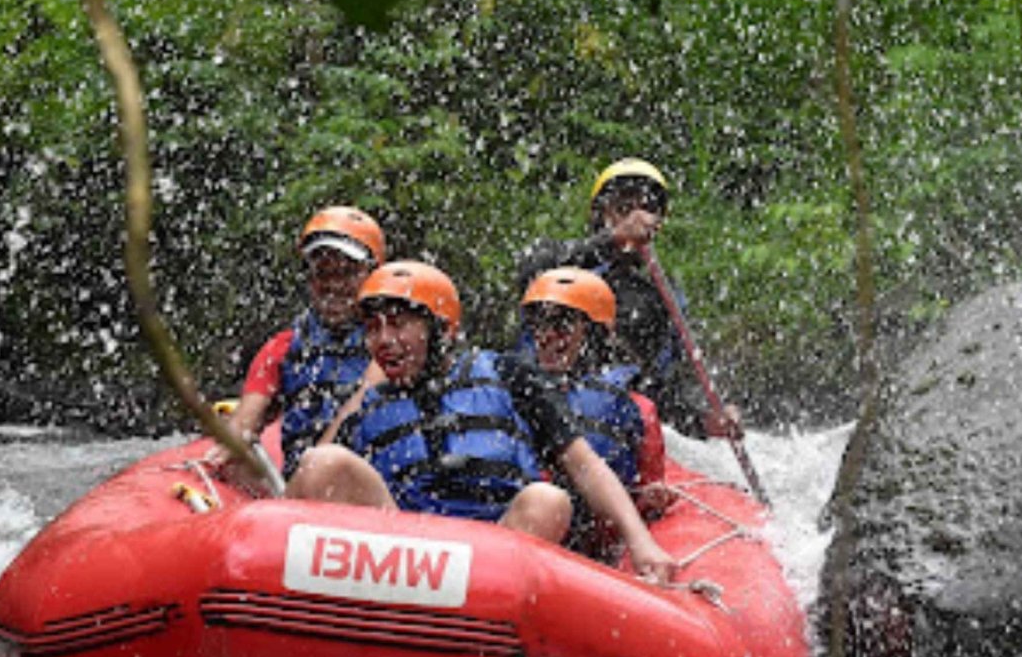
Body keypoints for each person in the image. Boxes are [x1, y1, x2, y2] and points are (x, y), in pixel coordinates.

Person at [287, 260, 676, 582]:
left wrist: (641, 543)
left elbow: (585, 465)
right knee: (322, 462)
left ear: (442, 330)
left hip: (496, 549)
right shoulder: (368, 404)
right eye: (373, 328)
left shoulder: (510, 375)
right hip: (401, 555)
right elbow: (314, 478)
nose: (383, 340)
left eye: (399, 323)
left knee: (548, 501)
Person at [515, 159, 740, 439]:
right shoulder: (561, 263)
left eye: (647, 209)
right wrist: (614, 238)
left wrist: (703, 421)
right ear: (601, 214)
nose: (636, 218)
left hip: (609, 425)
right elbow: (529, 273)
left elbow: (658, 390)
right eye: (623, 208)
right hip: (539, 408)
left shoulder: (660, 298)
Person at [213, 206, 386, 479]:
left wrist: (314, 473)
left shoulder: (393, 347)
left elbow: (358, 412)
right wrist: (229, 445)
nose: (334, 285)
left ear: (373, 276)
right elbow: (246, 422)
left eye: (347, 272)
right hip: (306, 495)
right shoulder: (282, 348)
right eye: (323, 273)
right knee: (235, 467)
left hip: (375, 493)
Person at [518, 266, 676, 548]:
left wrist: (644, 502)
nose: (547, 335)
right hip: (524, 535)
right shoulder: (508, 392)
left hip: (590, 555)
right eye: (539, 323)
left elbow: (645, 495)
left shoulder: (638, 409)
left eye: (563, 324)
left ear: (593, 336)